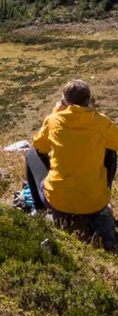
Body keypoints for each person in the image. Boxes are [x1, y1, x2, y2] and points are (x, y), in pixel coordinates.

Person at [25, 79, 118, 250]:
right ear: (89, 99)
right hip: (96, 204)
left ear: (64, 100)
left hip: (58, 202)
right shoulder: (101, 122)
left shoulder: (53, 120)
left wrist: (56, 112)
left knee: (31, 153)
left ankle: (40, 208)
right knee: (111, 152)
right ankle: (102, 193)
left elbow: (39, 146)